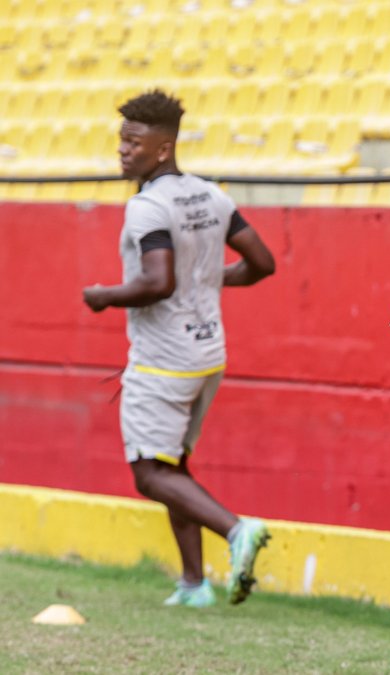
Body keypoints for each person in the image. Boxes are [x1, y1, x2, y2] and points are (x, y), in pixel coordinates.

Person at [82, 90, 276, 608]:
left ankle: (236, 532)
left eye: (134, 142)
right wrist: (208, 280)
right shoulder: (210, 195)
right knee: (174, 468)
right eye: (122, 140)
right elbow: (262, 262)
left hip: (162, 360)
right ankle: (193, 584)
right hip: (208, 355)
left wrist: (103, 296)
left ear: (162, 148)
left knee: (149, 472)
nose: (123, 150)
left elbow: (157, 282)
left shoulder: (147, 206)